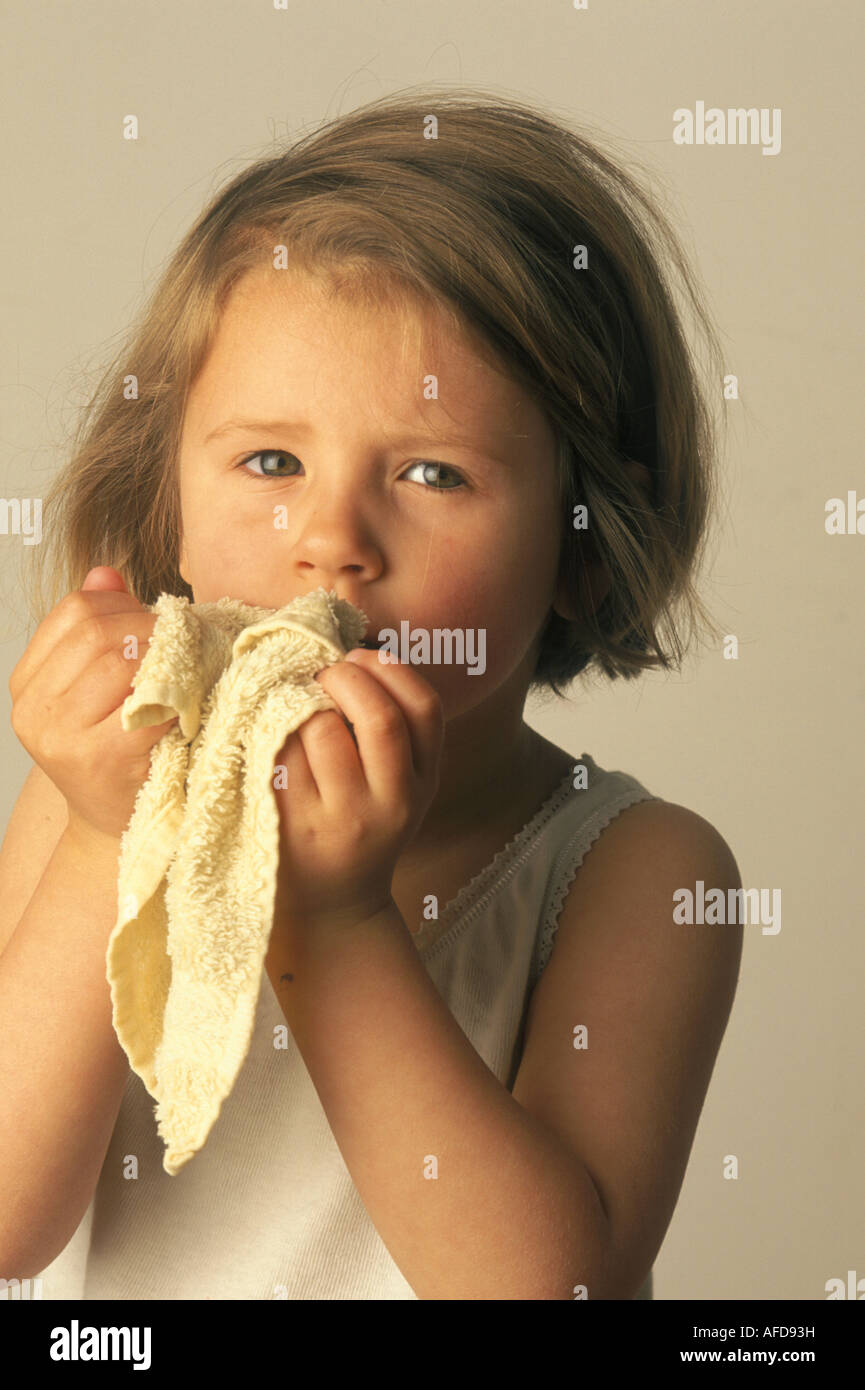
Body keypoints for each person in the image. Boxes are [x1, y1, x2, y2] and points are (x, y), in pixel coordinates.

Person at [1, 86, 742, 1300]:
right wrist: (97, 842)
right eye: (271, 461)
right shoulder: (102, 796)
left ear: (584, 545)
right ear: (170, 494)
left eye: (434, 472)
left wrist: (341, 921)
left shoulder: (639, 871)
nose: (328, 541)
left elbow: (555, 1290)